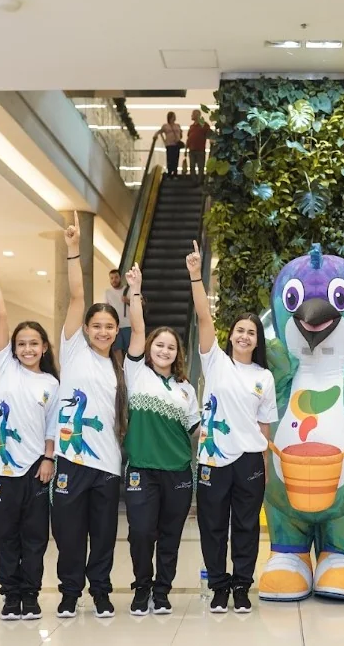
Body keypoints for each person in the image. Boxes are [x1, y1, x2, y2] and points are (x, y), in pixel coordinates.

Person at [187, 240, 277, 614]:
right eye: (240, 330)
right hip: (213, 459)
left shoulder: (264, 377)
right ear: (231, 335)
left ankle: (241, 585)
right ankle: (219, 586)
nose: (244, 336)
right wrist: (196, 275)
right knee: (212, 526)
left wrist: (265, 468)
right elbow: (203, 318)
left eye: (251, 333)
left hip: (250, 461)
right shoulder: (216, 362)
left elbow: (264, 427)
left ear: (257, 341)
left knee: (246, 526)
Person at [51, 212, 125, 620]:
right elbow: (77, 297)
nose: (102, 331)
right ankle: (69, 593)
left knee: (103, 536)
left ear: (116, 330)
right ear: (85, 329)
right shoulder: (74, 349)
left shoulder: (118, 367)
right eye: (96, 325)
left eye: (109, 326)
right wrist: (73, 249)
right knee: (68, 534)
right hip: (71, 460)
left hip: (107, 464)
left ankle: (100, 592)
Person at [0, 252, 60, 621]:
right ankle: (10, 596)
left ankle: (31, 595)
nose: (28, 349)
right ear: (13, 348)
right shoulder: (6, 369)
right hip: (1, 470)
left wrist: (48, 458)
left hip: (34, 471)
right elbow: (0, 315)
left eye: (34, 343)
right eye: (22, 343)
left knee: (35, 539)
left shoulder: (51, 383)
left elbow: (52, 427)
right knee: (4, 538)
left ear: (44, 347)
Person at [121, 263, 200, 616]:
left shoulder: (186, 389)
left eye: (171, 347)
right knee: (141, 533)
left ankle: (162, 590)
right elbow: (137, 327)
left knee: (170, 536)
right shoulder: (136, 372)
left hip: (179, 472)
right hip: (142, 469)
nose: (165, 350)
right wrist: (136, 289)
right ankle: (142, 587)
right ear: (149, 347)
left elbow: (197, 431)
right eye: (159, 345)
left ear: (177, 353)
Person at [104, 268, 132, 362]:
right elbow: (106, 308)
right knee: (116, 350)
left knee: (129, 350)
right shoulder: (108, 292)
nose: (114, 280)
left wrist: (128, 301)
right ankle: (120, 369)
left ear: (120, 278)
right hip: (115, 326)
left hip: (128, 325)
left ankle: (129, 369)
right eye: (111, 278)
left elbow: (141, 304)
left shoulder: (128, 290)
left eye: (116, 277)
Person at [187, 109, 211, 182]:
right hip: (191, 150)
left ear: (197, 115)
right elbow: (189, 138)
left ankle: (199, 181)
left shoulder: (204, 125)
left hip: (200, 149)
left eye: (193, 114)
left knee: (201, 166)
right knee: (192, 166)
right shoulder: (191, 126)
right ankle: (194, 181)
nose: (191, 115)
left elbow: (209, 134)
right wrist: (186, 148)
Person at [158, 111, 183, 179]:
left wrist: (179, 136)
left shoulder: (177, 125)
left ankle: (175, 173)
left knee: (176, 159)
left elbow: (180, 134)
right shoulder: (165, 126)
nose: (174, 118)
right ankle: (169, 173)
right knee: (170, 159)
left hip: (176, 144)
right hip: (169, 144)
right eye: (173, 116)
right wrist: (164, 140)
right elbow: (160, 132)